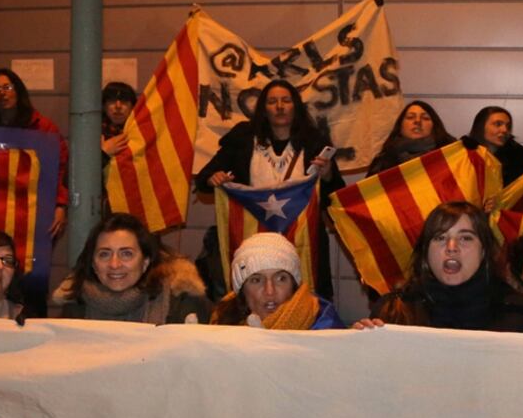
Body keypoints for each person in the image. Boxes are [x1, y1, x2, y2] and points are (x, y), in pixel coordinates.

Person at [194, 80, 344, 299]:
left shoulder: (314, 141)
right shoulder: (243, 138)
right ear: (264, 108)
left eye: (286, 101)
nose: (280, 106)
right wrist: (213, 178)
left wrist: (328, 174)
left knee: (304, 299)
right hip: (253, 239)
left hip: (303, 240)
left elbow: (335, 198)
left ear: (296, 106)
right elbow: (203, 180)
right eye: (272, 102)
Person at [52, 213, 212, 324]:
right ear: (93, 264)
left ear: (145, 263)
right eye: (104, 254)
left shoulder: (180, 304)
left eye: (126, 254)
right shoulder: (75, 308)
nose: (115, 264)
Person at [367, 201, 501, 329]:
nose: (452, 247)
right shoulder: (393, 312)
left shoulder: (517, 314)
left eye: (465, 238)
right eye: (440, 238)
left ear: (483, 250)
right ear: (426, 251)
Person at [0, 68, 69, 237]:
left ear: (18, 90)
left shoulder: (43, 128)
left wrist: (60, 206)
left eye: (7, 87)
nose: (2, 94)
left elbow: (60, 170)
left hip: (32, 208)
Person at [210, 233, 343, 330]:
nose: (270, 291)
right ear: (242, 291)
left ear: (294, 286)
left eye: (281, 279)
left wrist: (354, 342)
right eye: (256, 280)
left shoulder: (324, 326)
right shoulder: (221, 326)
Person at [366, 100, 455, 177]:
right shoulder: (383, 160)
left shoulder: (448, 156)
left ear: (434, 126)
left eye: (425, 118)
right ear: (400, 126)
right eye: (410, 117)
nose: (417, 121)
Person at [466, 106, 523, 186]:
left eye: (508, 126)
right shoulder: (463, 155)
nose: (504, 130)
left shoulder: (522, 158)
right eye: (498, 124)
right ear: (481, 127)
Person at [101, 81, 136, 163]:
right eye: (112, 100)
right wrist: (104, 153)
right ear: (104, 106)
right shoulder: (92, 134)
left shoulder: (139, 132)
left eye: (124, 101)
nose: (118, 106)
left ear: (132, 107)